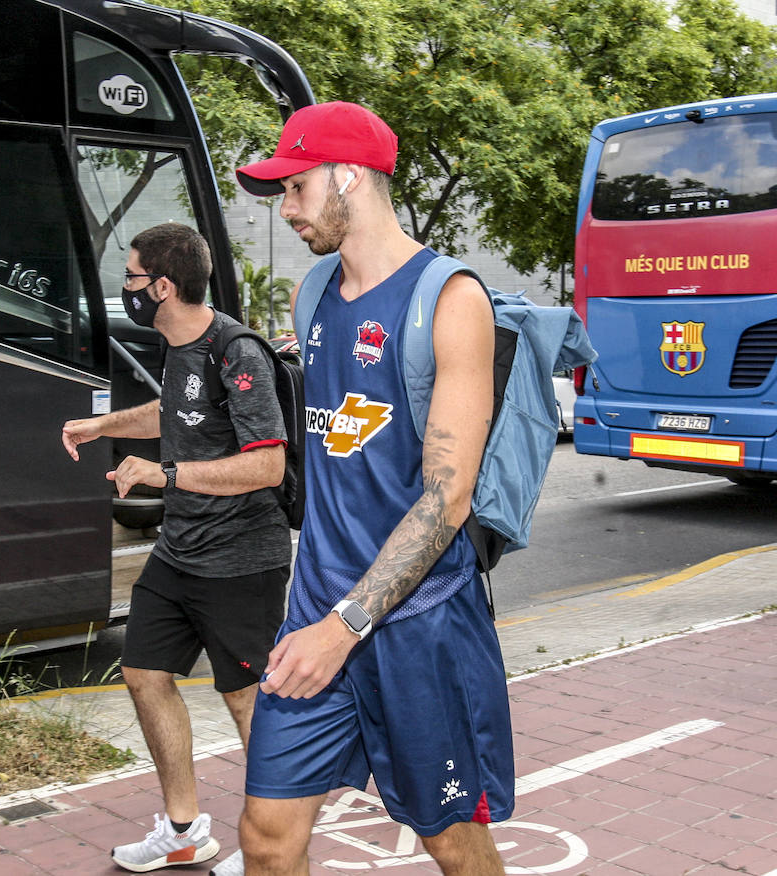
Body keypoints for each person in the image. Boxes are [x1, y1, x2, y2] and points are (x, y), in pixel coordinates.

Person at [232, 101, 514, 874]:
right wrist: (322, 620)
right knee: (264, 833)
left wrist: (346, 624)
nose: (286, 209)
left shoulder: (451, 300)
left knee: (454, 845)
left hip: (414, 626)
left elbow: (446, 500)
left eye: (295, 187)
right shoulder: (314, 292)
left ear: (350, 175)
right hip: (315, 614)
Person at [61, 222, 291, 874]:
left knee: (247, 703)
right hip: (180, 550)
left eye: (132, 278)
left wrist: (163, 475)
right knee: (142, 674)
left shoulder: (235, 351)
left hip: (243, 558)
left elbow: (267, 465)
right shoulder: (179, 347)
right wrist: (103, 425)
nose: (126, 289)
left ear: (162, 286)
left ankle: (272, 846)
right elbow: (175, 413)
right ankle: (185, 830)